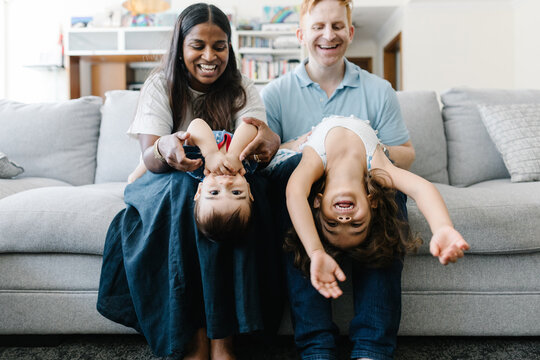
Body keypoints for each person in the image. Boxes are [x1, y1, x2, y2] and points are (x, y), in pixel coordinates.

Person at [97, 3, 281, 360]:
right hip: (166, 180)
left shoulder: (243, 86)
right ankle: (197, 335)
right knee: (189, 191)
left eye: (220, 45)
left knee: (243, 199)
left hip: (227, 175)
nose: (210, 56)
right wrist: (165, 147)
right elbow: (149, 160)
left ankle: (225, 338)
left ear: (230, 47)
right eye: (198, 45)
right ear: (180, 48)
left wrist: (266, 143)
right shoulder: (160, 86)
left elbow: (255, 135)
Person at [260, 0, 416, 359]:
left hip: (362, 184)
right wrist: (299, 145)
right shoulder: (276, 93)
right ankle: (316, 346)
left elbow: (406, 153)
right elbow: (263, 160)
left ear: (350, 32)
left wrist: (368, 153)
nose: (328, 35)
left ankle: (372, 348)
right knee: (290, 180)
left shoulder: (379, 90)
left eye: (337, 26)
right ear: (302, 34)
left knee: (391, 187)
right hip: (304, 184)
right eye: (317, 27)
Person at [285, 115, 470, 299]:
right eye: (357, 225)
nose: (344, 220)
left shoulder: (315, 161)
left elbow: (295, 193)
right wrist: (442, 227)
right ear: (372, 202)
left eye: (331, 224)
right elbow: (420, 188)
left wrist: (316, 251)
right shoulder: (377, 165)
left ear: (317, 201)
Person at [128, 118, 258, 242]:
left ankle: (142, 166)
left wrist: (210, 153)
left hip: (168, 148)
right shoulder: (246, 165)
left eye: (214, 193)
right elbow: (249, 126)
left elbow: (196, 124)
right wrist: (234, 154)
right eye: (236, 193)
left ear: (200, 190)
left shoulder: (196, 164)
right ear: (248, 189)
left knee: (139, 174)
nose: (225, 183)